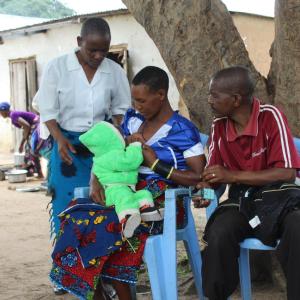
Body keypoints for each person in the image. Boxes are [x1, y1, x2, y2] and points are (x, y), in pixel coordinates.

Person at [49, 66, 206, 300]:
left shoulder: (182, 130)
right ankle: (98, 293)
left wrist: (155, 164)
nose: (137, 105)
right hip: (121, 190)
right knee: (75, 213)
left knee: (109, 224)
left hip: (162, 203)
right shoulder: (133, 121)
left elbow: (198, 177)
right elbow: (107, 153)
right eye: (135, 100)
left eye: (142, 100)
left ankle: (122, 295)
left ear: (161, 95)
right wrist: (96, 181)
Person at [193, 66, 300, 300]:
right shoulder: (218, 126)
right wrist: (205, 190)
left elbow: (286, 173)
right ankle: (215, 296)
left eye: (214, 95)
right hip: (243, 201)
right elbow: (214, 177)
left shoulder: (271, 116)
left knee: (297, 225)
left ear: (235, 99)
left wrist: (231, 176)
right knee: (220, 232)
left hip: (280, 198)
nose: (209, 100)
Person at [36, 17, 131, 239]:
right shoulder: (57, 67)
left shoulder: (114, 71)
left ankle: (98, 260)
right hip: (67, 144)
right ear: (79, 41)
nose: (98, 56)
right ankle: (67, 259)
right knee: (67, 205)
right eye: (92, 50)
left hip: (103, 146)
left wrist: (121, 141)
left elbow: (120, 111)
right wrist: (59, 138)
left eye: (103, 51)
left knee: (104, 204)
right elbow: (47, 109)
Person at [79, 121, 163, 238]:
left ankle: (147, 210)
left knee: (142, 194)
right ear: (111, 140)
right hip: (115, 191)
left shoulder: (101, 156)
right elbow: (130, 161)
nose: (125, 138)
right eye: (121, 136)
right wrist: (135, 146)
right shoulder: (112, 156)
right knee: (125, 198)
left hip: (125, 188)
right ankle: (127, 219)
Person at [0, 101, 45, 178]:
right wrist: (23, 142)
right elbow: (25, 129)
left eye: (0, 112)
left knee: (32, 149)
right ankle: (34, 172)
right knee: (29, 149)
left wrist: (21, 143)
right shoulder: (13, 115)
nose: (0, 114)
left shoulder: (13, 115)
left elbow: (27, 126)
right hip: (35, 126)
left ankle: (39, 174)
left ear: (4, 110)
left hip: (37, 125)